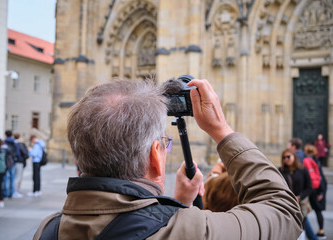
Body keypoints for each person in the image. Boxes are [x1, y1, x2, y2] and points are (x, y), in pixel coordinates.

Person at [33, 79, 302, 239]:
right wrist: (221, 130)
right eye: (164, 145)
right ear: (154, 157)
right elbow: (284, 211)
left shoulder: (49, 229)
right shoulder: (190, 232)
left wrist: (178, 206)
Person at [278, 149, 313, 240]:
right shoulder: (280, 171)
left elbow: (309, 187)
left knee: (301, 226)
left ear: (294, 156)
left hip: (300, 204)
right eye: (284, 157)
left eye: (288, 156)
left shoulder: (302, 170)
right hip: (286, 204)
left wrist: (300, 197)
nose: (286, 159)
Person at [289, 137, 317, 240]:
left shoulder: (299, 158)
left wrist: (300, 196)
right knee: (303, 220)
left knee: (302, 221)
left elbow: (302, 178)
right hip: (300, 195)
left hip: (299, 196)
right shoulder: (304, 155)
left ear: (293, 146)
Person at [305, 144, 327, 239]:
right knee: (318, 211)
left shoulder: (306, 161)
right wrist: (321, 191)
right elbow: (320, 176)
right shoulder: (316, 161)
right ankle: (321, 230)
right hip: (317, 188)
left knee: (303, 212)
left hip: (310, 188)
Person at [4, 130, 20, 198]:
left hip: (6, 161)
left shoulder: (4, 142)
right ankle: (11, 192)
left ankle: (5, 192)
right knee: (12, 177)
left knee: (6, 177)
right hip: (12, 161)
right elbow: (18, 152)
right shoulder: (14, 142)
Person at [13, 133, 29, 198]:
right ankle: (15, 191)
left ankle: (14, 191)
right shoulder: (20, 144)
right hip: (19, 162)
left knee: (14, 177)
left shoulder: (12, 143)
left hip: (13, 162)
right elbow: (25, 153)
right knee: (17, 177)